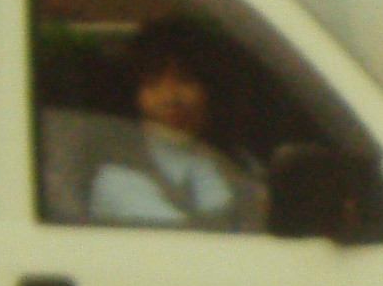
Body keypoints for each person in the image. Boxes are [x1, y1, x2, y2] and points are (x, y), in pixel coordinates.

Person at [85, 16, 261, 229]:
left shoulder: (236, 159)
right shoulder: (119, 177)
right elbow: (195, 247)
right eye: (152, 84)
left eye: (186, 80)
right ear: (133, 96)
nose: (170, 98)